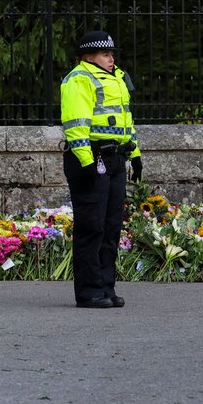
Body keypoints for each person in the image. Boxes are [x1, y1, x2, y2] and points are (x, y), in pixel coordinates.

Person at [60, 31, 142, 309]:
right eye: (106, 54)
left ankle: (106, 287)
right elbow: (76, 125)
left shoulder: (118, 78)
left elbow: (126, 121)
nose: (112, 58)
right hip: (91, 159)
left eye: (112, 53)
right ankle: (89, 291)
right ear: (88, 56)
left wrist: (136, 154)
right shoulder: (78, 79)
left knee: (111, 226)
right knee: (91, 226)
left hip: (116, 158)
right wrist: (85, 162)